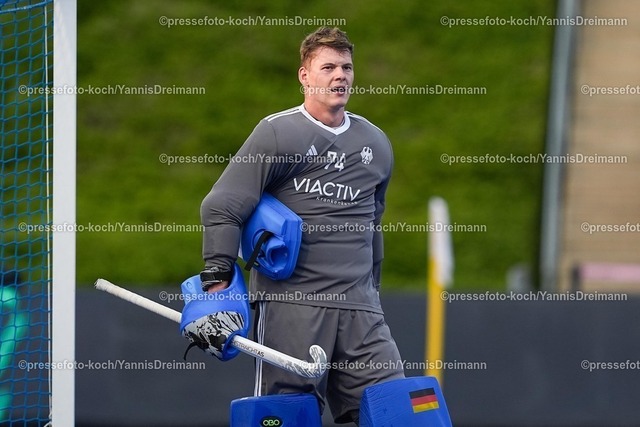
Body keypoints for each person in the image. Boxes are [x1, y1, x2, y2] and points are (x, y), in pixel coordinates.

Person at [199, 26, 404, 425]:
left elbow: (372, 225)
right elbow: (223, 205)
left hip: (360, 308)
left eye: (346, 67)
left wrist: (373, 292)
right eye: (328, 67)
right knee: (287, 414)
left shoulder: (376, 143)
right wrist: (216, 282)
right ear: (304, 76)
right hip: (292, 305)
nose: (340, 75)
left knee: (392, 410)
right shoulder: (277, 133)